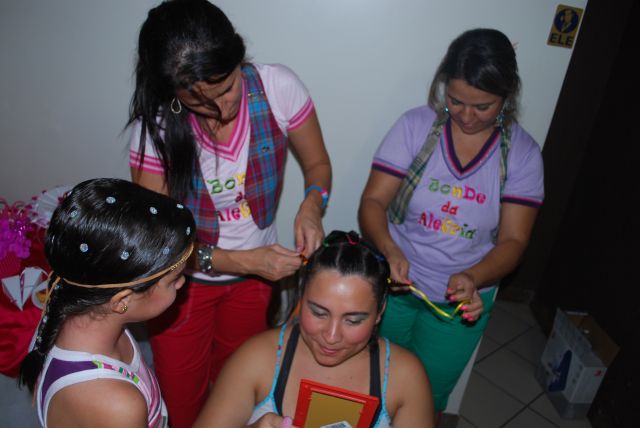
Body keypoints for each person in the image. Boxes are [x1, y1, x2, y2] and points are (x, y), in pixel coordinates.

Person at [127, 1, 332, 426]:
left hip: (253, 285)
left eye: (227, 88)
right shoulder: (158, 127)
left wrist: (312, 205)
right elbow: (159, 242)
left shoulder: (277, 87)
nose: (222, 109)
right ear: (173, 92)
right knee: (182, 402)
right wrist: (244, 262)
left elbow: (317, 166)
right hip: (178, 286)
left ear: (238, 57)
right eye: (200, 102)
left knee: (237, 392)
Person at [359, 28, 544, 413]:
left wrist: (474, 276)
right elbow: (373, 202)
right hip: (395, 288)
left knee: (424, 399)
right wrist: (390, 250)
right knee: (370, 381)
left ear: (507, 97)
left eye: (483, 106)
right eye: (456, 101)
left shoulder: (522, 155)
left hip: (461, 306)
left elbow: (514, 241)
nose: (466, 116)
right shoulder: (416, 127)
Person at [193, 230, 434, 428]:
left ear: (380, 311)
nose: (331, 336)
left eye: (353, 320)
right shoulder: (257, 358)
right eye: (319, 313)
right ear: (301, 297)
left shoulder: (405, 377)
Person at [18, 178, 196, 428]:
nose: (182, 283)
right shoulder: (117, 405)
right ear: (122, 300)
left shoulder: (72, 311)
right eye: (174, 280)